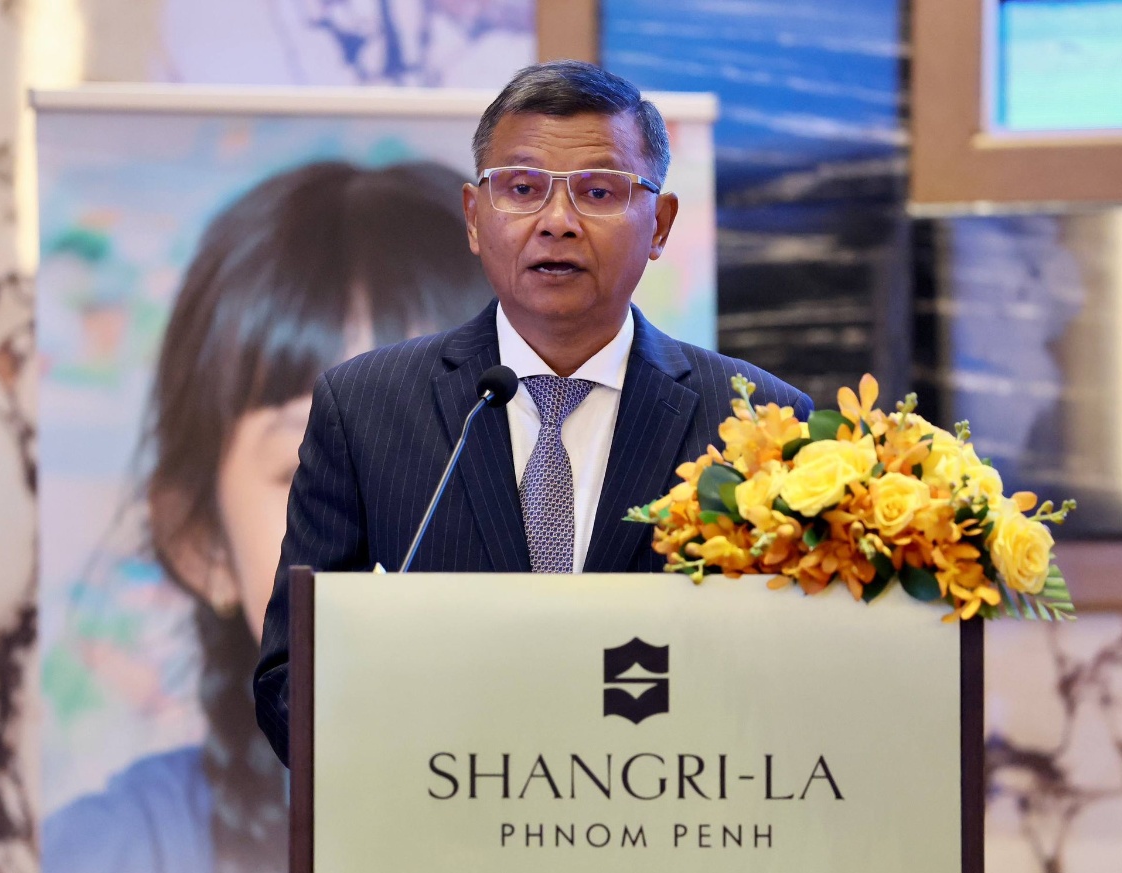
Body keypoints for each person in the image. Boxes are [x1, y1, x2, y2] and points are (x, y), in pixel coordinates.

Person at [253, 60, 814, 766]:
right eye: (522, 189)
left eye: (598, 191)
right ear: (474, 217)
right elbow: (290, 678)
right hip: (443, 815)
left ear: (661, 224)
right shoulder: (364, 408)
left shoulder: (758, 421)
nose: (557, 222)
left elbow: (795, 676)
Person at [41, 159, 494, 873]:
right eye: (315, 464)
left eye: (455, 453)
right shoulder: (103, 860)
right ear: (202, 543)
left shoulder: (645, 826)